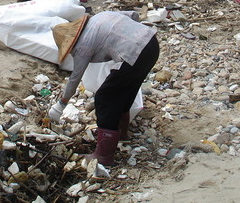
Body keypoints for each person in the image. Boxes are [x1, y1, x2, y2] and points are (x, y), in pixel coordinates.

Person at [48, 11, 159, 166]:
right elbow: (133, 16)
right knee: (127, 90)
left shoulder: (82, 45)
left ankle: (104, 155)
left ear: (70, 42)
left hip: (135, 53)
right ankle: (121, 134)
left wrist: (61, 104)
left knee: (104, 97)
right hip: (151, 44)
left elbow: (75, 78)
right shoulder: (99, 17)